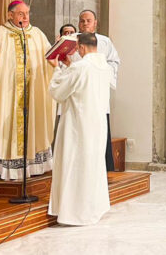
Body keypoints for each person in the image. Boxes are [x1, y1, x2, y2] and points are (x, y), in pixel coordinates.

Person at [0, 0, 55, 180]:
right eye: (20, 14)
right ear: (10, 15)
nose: (25, 17)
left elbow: (51, 60)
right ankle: (8, 170)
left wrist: (57, 58)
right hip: (7, 96)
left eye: (27, 13)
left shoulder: (38, 34)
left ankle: (31, 168)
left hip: (33, 95)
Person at [48, 33, 110, 225]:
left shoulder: (81, 66)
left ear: (81, 47)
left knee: (74, 164)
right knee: (92, 166)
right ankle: (93, 208)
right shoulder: (104, 67)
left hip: (77, 124)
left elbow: (58, 91)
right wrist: (68, 67)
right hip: (96, 124)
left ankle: (74, 212)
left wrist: (57, 68)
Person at [76, 9, 121, 171]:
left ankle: (103, 168)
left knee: (100, 132)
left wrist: (100, 72)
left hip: (97, 94)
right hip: (78, 96)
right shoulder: (70, 41)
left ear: (95, 23)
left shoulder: (104, 42)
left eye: (89, 20)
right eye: (82, 20)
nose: (85, 23)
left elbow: (114, 62)